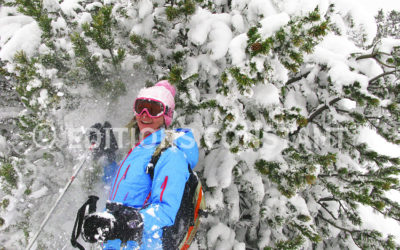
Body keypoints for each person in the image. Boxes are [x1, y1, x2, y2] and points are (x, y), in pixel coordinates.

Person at [84, 80, 199, 249]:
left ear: (166, 115)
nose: (145, 114)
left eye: (153, 110)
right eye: (141, 107)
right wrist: (109, 155)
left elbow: (165, 211)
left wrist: (120, 225)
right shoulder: (139, 152)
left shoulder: (171, 155)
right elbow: (122, 190)